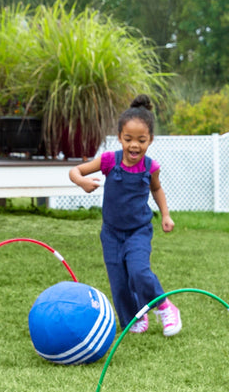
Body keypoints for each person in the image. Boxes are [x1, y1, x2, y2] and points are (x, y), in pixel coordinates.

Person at [69, 94, 181, 336]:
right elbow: (75, 170)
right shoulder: (110, 161)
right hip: (111, 232)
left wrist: (166, 215)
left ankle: (164, 306)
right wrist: (81, 181)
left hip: (138, 231)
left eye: (141, 140)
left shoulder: (151, 167)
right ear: (119, 137)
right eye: (128, 139)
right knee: (119, 282)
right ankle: (133, 317)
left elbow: (156, 188)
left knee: (139, 272)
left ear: (150, 140)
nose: (134, 145)